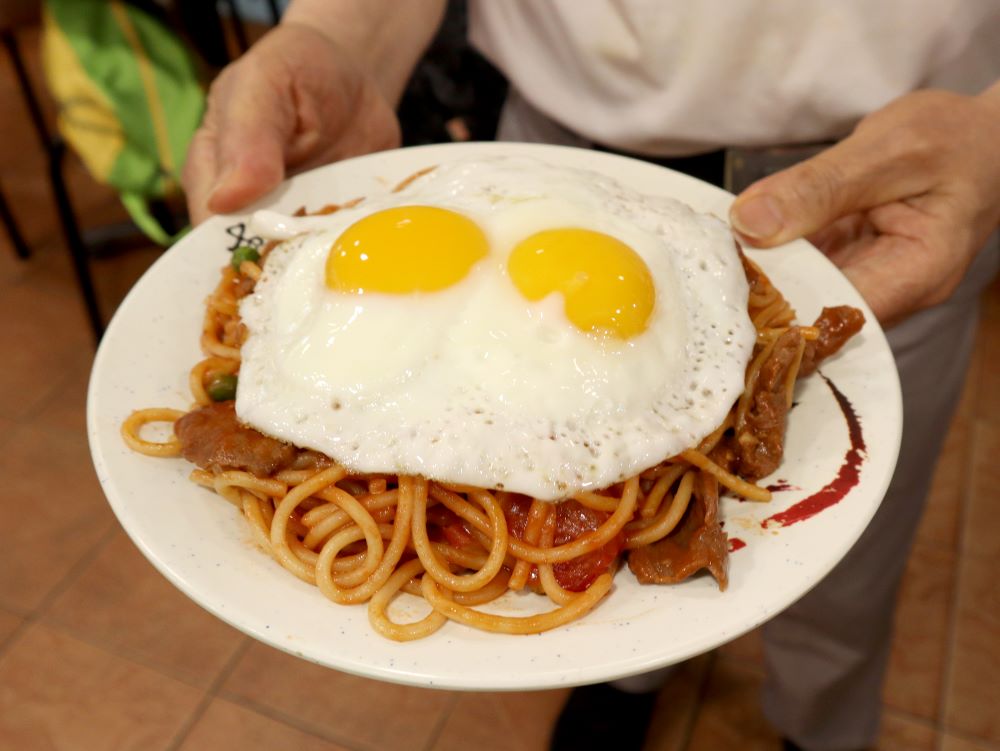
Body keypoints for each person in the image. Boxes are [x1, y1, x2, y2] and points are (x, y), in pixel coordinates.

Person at [181, 2, 1000, 749]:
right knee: (600, 568)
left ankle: (823, 729)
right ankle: (624, 684)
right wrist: (337, 34)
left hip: (898, 173)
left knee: (845, 583)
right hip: (549, 151)